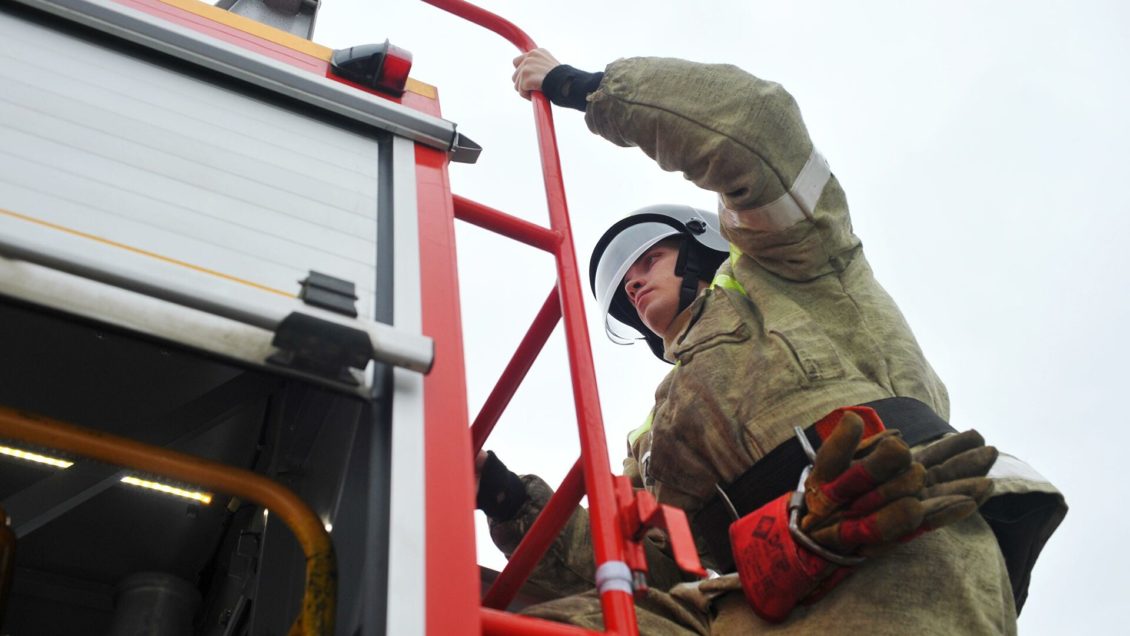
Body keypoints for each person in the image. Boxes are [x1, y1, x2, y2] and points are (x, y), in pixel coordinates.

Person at [475, 49, 1066, 634]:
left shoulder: (793, 270)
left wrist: (588, 89)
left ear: (704, 248)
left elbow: (758, 125)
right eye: (620, 283)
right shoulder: (654, 439)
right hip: (749, 592)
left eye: (650, 256)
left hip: (893, 530)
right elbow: (641, 565)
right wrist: (502, 495)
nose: (631, 280)